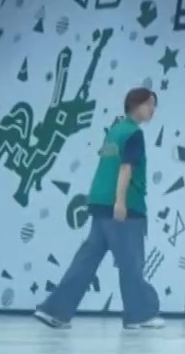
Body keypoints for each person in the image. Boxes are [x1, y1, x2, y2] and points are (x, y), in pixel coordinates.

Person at [33, 88, 163, 330]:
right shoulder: (134, 134)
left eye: (154, 105)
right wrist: (121, 202)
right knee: (131, 263)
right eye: (149, 104)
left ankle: (54, 311)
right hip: (124, 207)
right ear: (135, 105)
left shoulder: (115, 131)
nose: (152, 110)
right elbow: (126, 168)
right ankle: (140, 314)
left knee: (86, 261)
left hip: (99, 203)